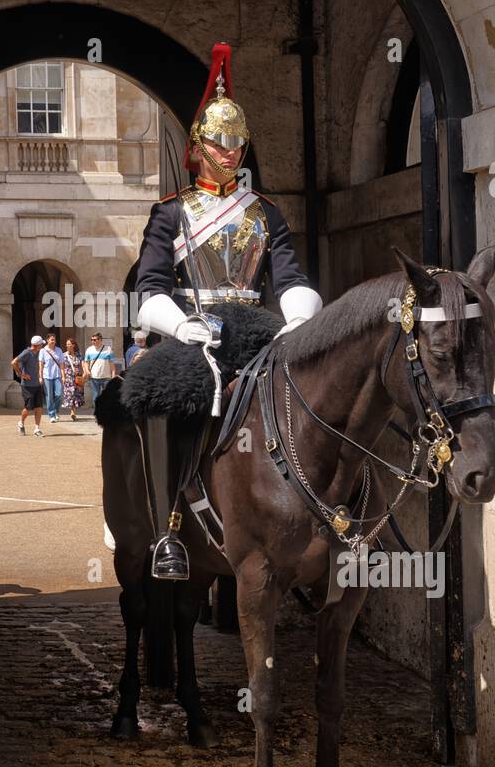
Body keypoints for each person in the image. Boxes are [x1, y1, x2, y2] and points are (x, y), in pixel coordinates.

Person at [135, 40, 323, 579]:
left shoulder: (265, 213)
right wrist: (180, 324)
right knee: (163, 398)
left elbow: (288, 278)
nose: (230, 152)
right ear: (199, 146)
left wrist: (299, 323)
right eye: (219, 143)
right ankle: (166, 530)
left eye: (237, 143)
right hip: (193, 330)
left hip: (258, 328)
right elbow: (150, 286)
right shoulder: (171, 213)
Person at [11, 335, 46, 437]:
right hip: (27, 386)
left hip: (37, 384)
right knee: (28, 408)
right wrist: (21, 374)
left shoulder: (39, 353)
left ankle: (37, 429)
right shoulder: (27, 353)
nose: (42, 346)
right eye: (41, 345)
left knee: (39, 407)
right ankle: (21, 423)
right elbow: (14, 362)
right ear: (37, 345)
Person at [83, 332, 117, 408]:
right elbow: (86, 362)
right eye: (92, 340)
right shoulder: (89, 350)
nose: (93, 341)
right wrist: (87, 370)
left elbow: (112, 365)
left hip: (106, 378)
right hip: (94, 377)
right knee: (95, 397)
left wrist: (113, 376)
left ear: (100, 340)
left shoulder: (108, 350)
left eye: (95, 340)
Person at [39, 332, 64, 422]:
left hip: (57, 375)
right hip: (47, 376)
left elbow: (61, 364)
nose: (53, 341)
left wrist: (63, 376)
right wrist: (40, 376)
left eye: (54, 339)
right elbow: (41, 364)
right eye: (51, 339)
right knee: (49, 396)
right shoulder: (43, 350)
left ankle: (56, 411)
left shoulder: (59, 350)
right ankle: (51, 414)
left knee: (59, 394)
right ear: (47, 340)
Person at [61, 337, 85, 420]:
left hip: (77, 377)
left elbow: (82, 364)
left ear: (74, 345)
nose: (68, 346)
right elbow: (62, 367)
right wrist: (63, 377)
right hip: (68, 378)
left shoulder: (79, 355)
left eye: (70, 344)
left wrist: (85, 372)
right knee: (70, 395)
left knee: (76, 394)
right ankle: (72, 412)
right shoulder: (64, 355)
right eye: (67, 344)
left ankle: (73, 411)